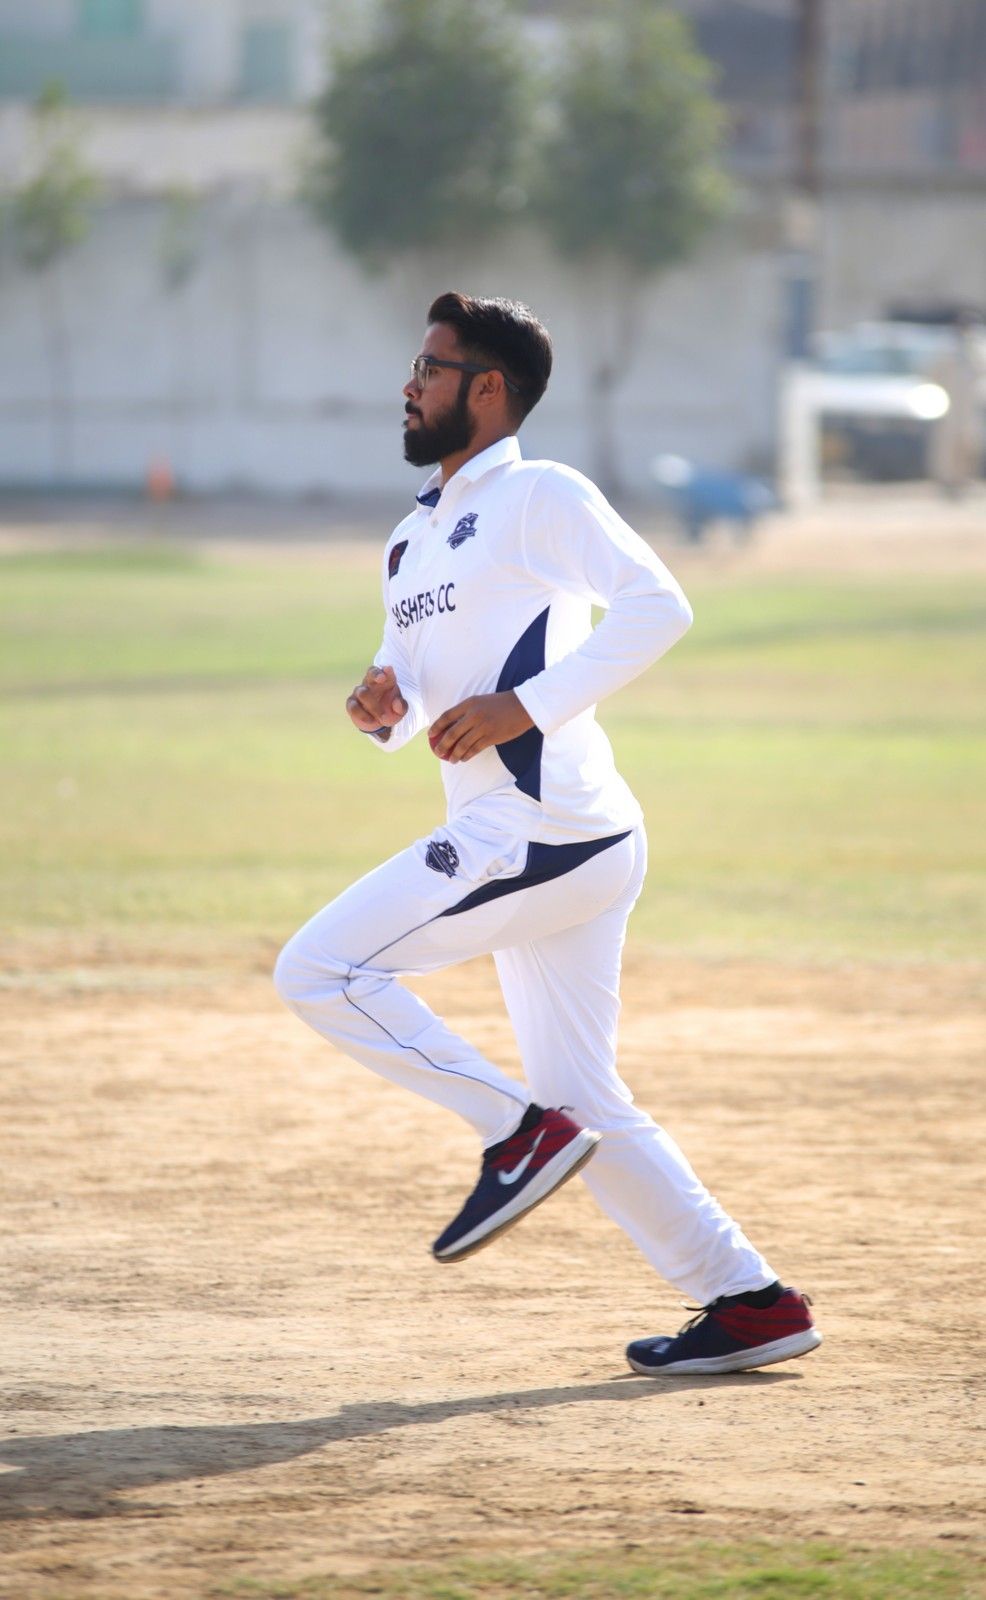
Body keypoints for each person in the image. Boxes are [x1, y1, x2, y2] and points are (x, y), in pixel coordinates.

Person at [274, 292, 821, 1376]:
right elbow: (418, 693)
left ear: (488, 389)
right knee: (585, 1101)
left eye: (430, 368)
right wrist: (382, 710)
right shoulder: (409, 538)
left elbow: (658, 605)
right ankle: (751, 1302)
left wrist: (524, 708)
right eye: (415, 366)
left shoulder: (539, 494)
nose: (408, 385)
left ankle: (517, 1133)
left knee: (319, 970)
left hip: (542, 828)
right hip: (543, 838)